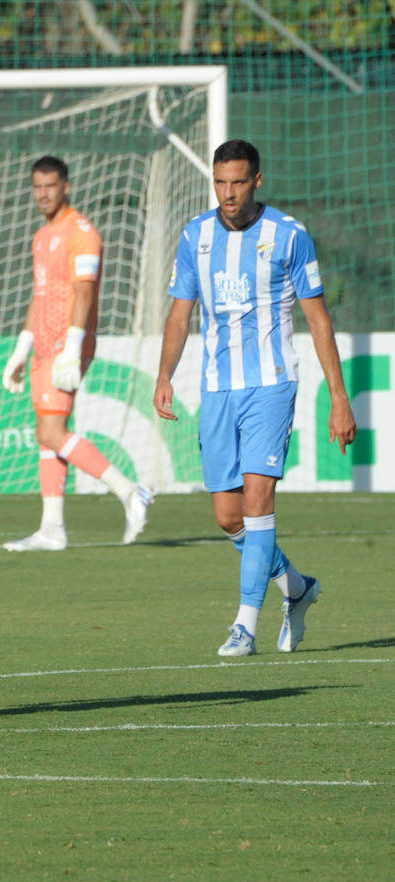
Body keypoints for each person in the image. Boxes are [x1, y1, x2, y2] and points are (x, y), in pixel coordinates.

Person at [154, 139, 356, 656]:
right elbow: (179, 315)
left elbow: (318, 320)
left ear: (257, 181)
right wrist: (164, 376)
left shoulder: (289, 236)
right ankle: (297, 588)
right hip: (217, 387)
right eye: (220, 182)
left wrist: (339, 398)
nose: (228, 193)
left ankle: (244, 625)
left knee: (259, 501)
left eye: (238, 182)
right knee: (228, 517)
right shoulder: (195, 235)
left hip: (271, 384)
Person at [1, 155, 154, 551]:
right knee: (45, 435)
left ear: (66, 186)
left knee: (52, 430)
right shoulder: (41, 236)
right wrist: (22, 348)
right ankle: (52, 528)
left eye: (50, 186)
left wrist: (72, 348)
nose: (43, 194)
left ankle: (128, 490)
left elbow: (84, 292)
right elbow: (39, 295)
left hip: (67, 344)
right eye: (37, 187)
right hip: (44, 344)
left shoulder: (82, 232)